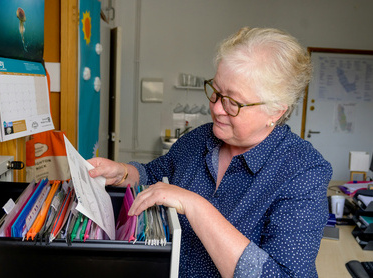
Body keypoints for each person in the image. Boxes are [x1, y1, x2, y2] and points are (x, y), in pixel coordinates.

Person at [88, 27, 332, 277]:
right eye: (215, 91)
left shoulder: (303, 171)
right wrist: (123, 173)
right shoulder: (201, 138)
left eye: (233, 102)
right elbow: (155, 176)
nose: (216, 108)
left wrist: (195, 205)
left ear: (276, 111)